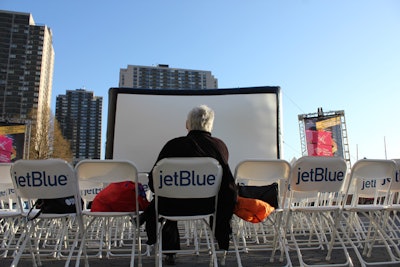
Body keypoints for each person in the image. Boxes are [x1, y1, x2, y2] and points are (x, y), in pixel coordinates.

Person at [141, 104, 237, 265]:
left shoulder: (172, 145)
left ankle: (169, 252)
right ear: (210, 125)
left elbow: (153, 182)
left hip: (171, 206)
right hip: (207, 206)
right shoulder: (219, 146)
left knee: (168, 196)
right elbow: (225, 182)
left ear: (187, 125)